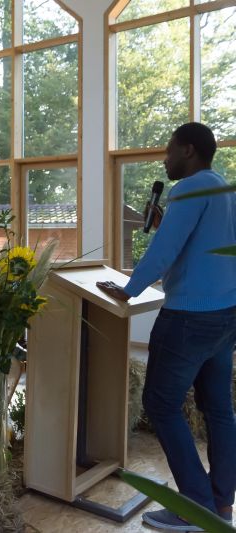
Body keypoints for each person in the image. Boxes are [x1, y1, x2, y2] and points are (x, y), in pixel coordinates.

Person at [97, 122, 236, 531]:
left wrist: (129, 289)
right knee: (219, 409)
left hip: (190, 316)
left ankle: (195, 506)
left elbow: (166, 249)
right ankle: (222, 502)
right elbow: (203, 245)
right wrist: (165, 223)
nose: (165, 158)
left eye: (169, 150)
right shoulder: (223, 190)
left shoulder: (189, 189)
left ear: (188, 151)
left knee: (160, 403)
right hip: (226, 315)